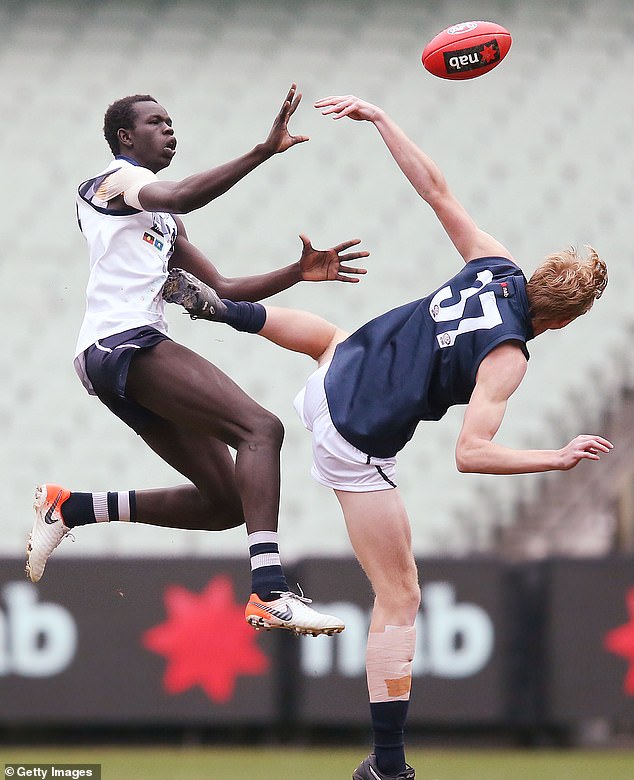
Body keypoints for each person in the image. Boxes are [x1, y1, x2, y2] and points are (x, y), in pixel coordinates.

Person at [162, 94, 612, 780]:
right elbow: (472, 453)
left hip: (338, 369)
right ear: (563, 320)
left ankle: (228, 309)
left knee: (331, 337)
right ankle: (388, 766)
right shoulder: (510, 357)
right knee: (400, 597)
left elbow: (435, 189)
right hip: (353, 438)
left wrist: (380, 118)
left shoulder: (495, 264)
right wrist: (557, 456)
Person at [26, 84, 370, 638]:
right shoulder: (113, 181)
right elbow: (182, 194)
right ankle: (269, 592)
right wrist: (261, 151)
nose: (169, 130)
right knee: (261, 429)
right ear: (124, 137)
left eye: (171, 122)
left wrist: (297, 271)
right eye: (156, 122)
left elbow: (225, 287)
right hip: (124, 344)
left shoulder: (163, 223)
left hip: (114, 358)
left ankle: (74, 509)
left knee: (227, 503)